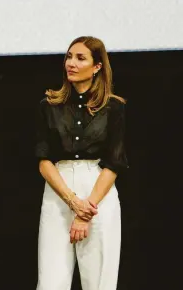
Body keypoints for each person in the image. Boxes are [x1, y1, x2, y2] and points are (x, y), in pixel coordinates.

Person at [35, 36, 128, 290]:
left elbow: (114, 162)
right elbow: (43, 159)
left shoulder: (114, 108)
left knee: (100, 282)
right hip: (59, 191)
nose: (71, 63)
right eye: (69, 57)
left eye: (80, 58)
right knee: (51, 282)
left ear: (97, 66)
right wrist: (73, 201)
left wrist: (87, 209)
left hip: (99, 190)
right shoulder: (49, 106)